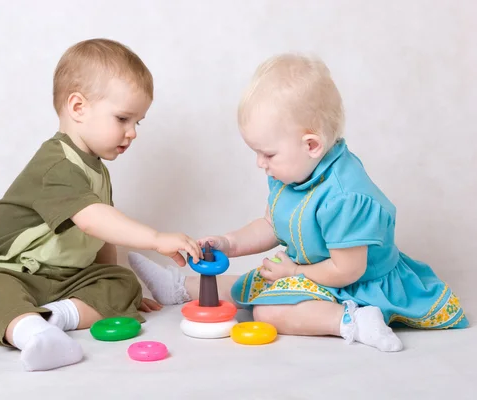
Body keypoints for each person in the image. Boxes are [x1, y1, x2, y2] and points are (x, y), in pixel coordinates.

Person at [128, 53, 468, 352]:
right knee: (253, 284)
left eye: (268, 153)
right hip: (313, 271)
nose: (261, 163)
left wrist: (294, 272)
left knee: (268, 311)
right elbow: (272, 224)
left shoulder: (346, 196)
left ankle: (354, 320)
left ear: (311, 145)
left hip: (355, 283)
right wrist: (229, 243)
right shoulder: (290, 171)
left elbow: (348, 269)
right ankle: (181, 286)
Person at [0, 38, 202, 371]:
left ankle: (52, 318)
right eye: (122, 119)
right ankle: (32, 333)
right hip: (13, 271)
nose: (132, 133)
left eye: (138, 122)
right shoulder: (56, 164)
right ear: (77, 107)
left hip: (64, 279)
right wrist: (156, 239)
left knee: (123, 282)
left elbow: (102, 237)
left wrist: (114, 289)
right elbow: (92, 220)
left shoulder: (96, 169)